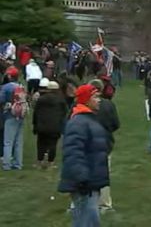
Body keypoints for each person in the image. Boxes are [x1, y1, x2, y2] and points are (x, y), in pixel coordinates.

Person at [58, 84, 109, 227]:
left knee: (90, 221)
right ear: (86, 100)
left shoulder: (89, 119)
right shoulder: (79, 122)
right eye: (95, 97)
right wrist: (82, 178)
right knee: (85, 221)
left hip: (91, 181)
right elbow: (73, 152)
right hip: (84, 184)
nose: (99, 100)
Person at [89, 79, 120, 213]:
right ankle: (104, 203)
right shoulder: (109, 105)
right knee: (103, 173)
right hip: (104, 142)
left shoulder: (82, 104)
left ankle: (85, 201)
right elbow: (116, 124)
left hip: (87, 142)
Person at [32, 81, 67, 169]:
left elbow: (35, 113)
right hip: (55, 126)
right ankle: (50, 163)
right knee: (53, 144)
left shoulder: (42, 99)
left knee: (41, 144)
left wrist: (35, 125)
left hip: (42, 125)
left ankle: (39, 162)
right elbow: (65, 113)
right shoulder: (61, 100)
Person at [0, 67, 27, 170]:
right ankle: (18, 163)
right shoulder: (21, 86)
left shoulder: (6, 87)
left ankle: (6, 164)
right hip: (21, 115)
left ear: (9, 76)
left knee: (8, 141)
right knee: (18, 141)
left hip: (10, 115)